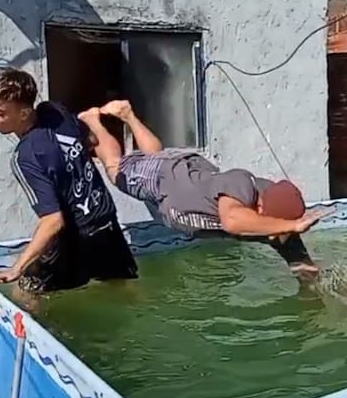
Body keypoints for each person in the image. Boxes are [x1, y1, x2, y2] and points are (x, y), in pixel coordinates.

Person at [81, 98, 323, 277]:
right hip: (165, 179)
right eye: (276, 226)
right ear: (261, 206)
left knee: (155, 154)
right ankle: (93, 120)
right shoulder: (243, 184)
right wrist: (291, 224)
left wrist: (316, 288)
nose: (273, 235)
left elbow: (301, 261)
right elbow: (232, 219)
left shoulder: (274, 221)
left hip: (188, 174)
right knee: (116, 170)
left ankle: (128, 115)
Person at [0, 68, 138, 293]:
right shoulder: (55, 111)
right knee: (123, 288)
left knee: (26, 290)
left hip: (74, 239)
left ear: (24, 114)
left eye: (0, 112)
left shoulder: (24, 157)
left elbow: (54, 221)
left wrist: (16, 267)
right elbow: (92, 140)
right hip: (106, 223)